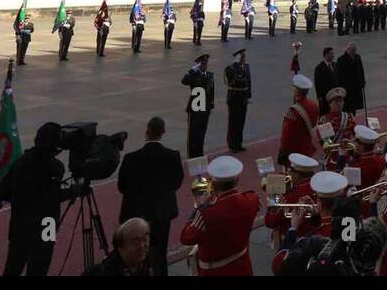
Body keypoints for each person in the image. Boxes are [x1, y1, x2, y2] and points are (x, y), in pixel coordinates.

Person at [0, 121, 67, 277]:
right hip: (46, 228)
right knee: (39, 269)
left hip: (20, 226)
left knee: (13, 268)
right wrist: (72, 191)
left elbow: (2, 191)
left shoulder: (21, 162)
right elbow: (52, 196)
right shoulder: (55, 167)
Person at [117, 117, 183, 276]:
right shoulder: (173, 156)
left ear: (146, 131)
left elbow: (122, 186)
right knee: (160, 252)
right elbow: (176, 182)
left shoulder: (131, 158)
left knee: (137, 253)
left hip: (137, 214)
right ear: (163, 133)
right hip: (162, 212)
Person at [179, 156, 261, 276]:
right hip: (242, 267)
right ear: (237, 180)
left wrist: (201, 205)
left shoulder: (206, 213)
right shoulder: (251, 200)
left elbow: (186, 237)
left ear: (214, 184)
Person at [84, 218, 153, 276]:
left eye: (145, 239)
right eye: (135, 241)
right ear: (120, 248)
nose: (142, 245)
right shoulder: (103, 272)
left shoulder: (155, 265)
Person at [278, 75, 320, 165]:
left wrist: (282, 150)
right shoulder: (314, 106)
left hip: (294, 151)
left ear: (296, 90)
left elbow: (286, 134)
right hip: (307, 148)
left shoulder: (293, 111)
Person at [182, 54, 215, 159]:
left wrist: (211, 105)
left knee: (202, 132)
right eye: (203, 63)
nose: (205, 65)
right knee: (193, 133)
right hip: (196, 108)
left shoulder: (209, 75)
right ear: (198, 64)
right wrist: (192, 70)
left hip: (205, 108)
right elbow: (184, 81)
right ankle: (192, 155)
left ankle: (200, 153)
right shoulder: (194, 76)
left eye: (206, 63)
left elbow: (211, 91)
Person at [225, 49, 252, 153]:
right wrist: (235, 64)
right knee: (233, 122)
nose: (244, 59)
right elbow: (233, 80)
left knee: (241, 121)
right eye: (241, 57)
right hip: (234, 98)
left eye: (244, 57)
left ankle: (238, 143)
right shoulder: (230, 68)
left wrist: (249, 96)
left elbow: (249, 82)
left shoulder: (246, 67)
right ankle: (232, 145)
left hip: (243, 98)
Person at [337, 43, 366, 113]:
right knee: (347, 107)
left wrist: (363, 81)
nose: (354, 52)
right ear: (348, 50)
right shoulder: (341, 59)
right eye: (353, 50)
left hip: (356, 87)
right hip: (347, 88)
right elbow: (339, 75)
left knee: (354, 107)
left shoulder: (357, 57)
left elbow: (361, 70)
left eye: (355, 50)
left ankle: (353, 120)